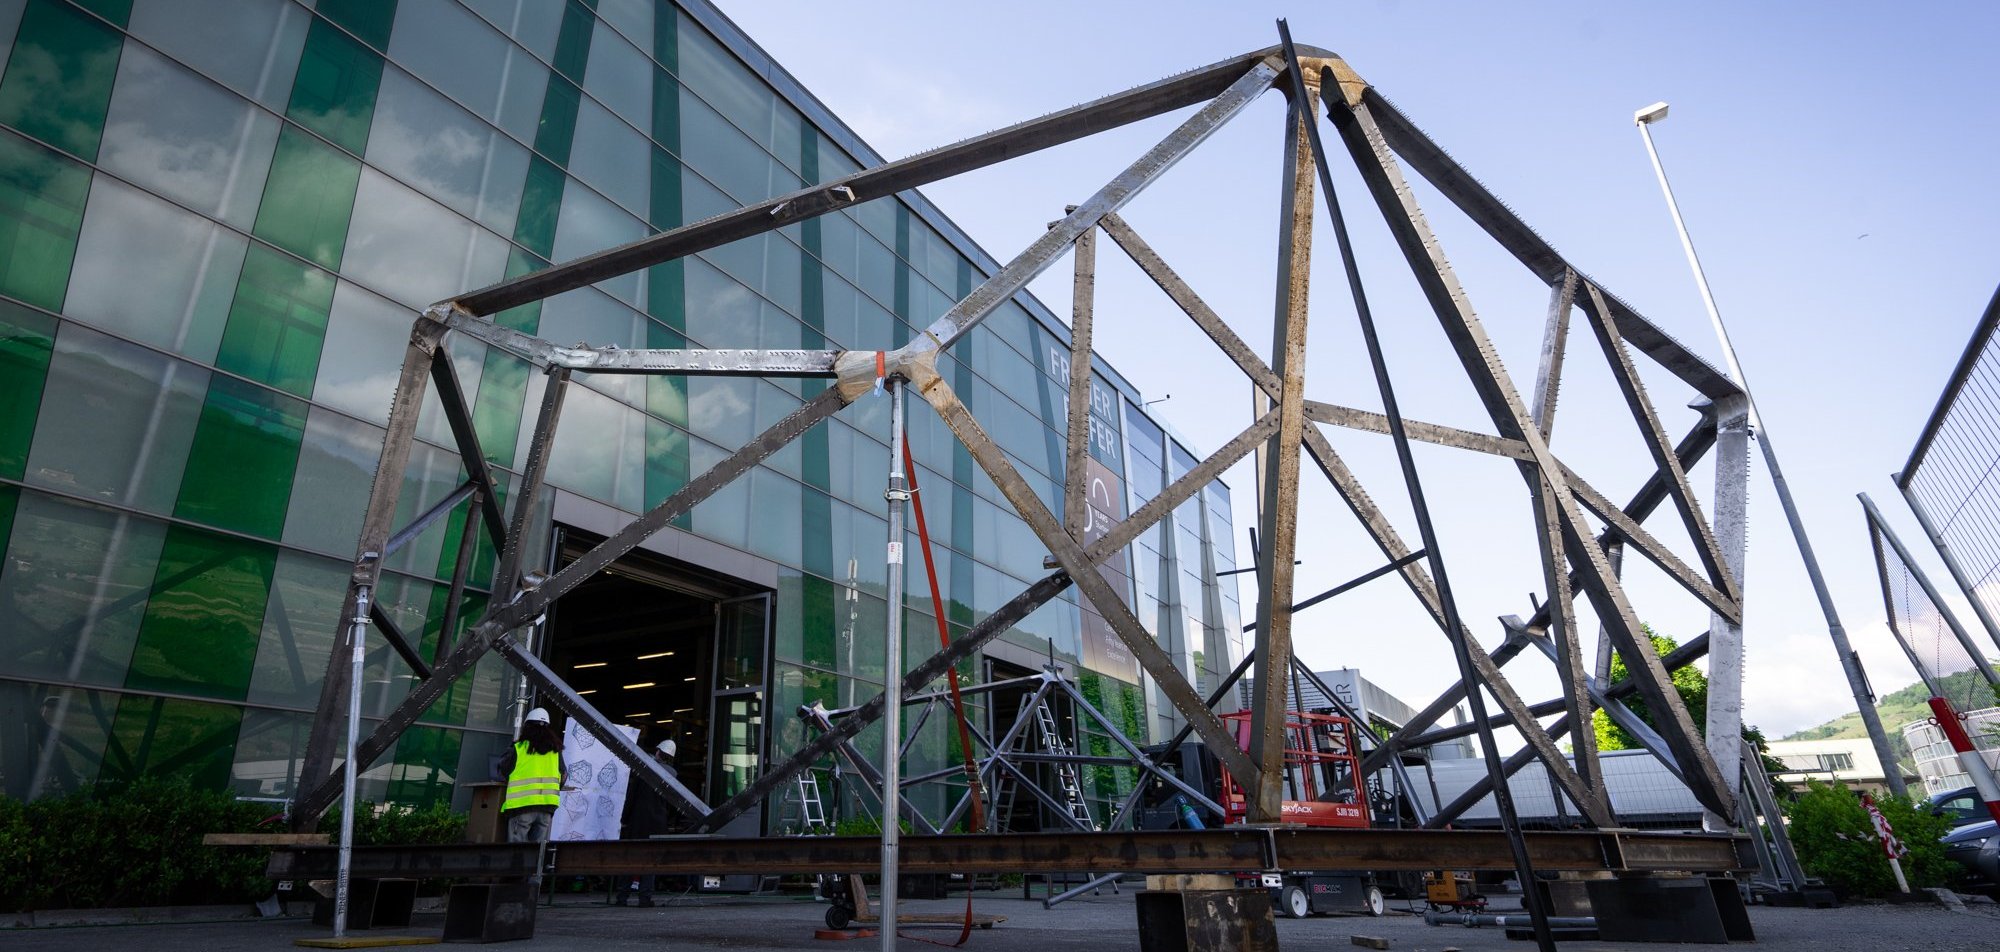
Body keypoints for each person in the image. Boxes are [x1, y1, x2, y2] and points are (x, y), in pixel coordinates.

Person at [615, 738, 679, 907]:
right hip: (657, 823)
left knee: (630, 859)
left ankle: (622, 897)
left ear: (658, 752)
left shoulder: (644, 770)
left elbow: (631, 796)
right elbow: (674, 803)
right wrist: (667, 820)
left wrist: (624, 819)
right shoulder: (672, 775)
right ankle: (645, 897)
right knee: (651, 861)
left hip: (637, 822)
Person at [498, 708, 565, 856]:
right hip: (547, 808)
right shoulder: (555, 751)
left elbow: (503, 770)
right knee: (538, 853)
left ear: (527, 727)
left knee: (517, 853)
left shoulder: (518, 748)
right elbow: (564, 775)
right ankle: (534, 872)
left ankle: (517, 872)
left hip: (522, 807)